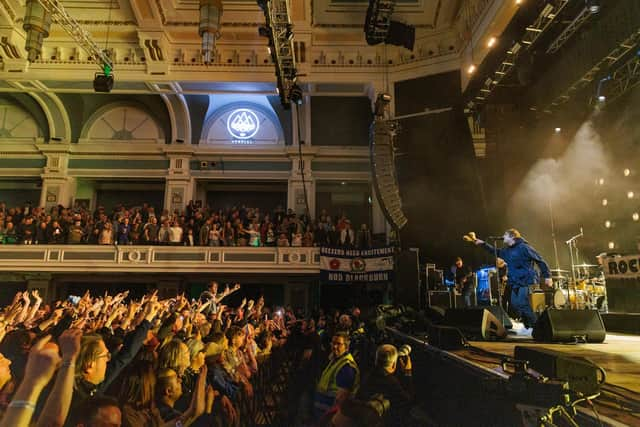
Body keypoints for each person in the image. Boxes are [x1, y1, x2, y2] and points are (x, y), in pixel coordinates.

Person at [474, 229, 552, 329]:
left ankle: (537, 327)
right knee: (515, 304)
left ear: (512, 237)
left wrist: (547, 276)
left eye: (505, 235)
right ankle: (529, 326)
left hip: (526, 279)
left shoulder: (524, 247)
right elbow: (495, 251)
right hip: (515, 281)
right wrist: (482, 244)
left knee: (522, 303)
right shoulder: (507, 250)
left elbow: (540, 260)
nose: (503, 237)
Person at [314, 331, 360, 419]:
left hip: (330, 416)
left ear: (346, 347)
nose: (334, 347)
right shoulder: (335, 360)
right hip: (323, 413)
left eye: (339, 344)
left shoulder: (347, 367)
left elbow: (341, 399)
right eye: (333, 343)